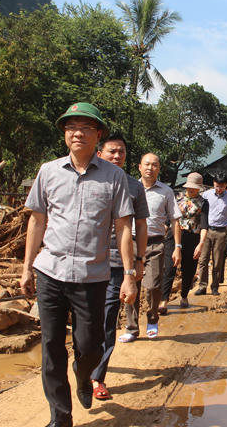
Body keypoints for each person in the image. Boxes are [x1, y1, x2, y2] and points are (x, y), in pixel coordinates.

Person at [20, 102, 135, 427]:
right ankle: (61, 417)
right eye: (71, 127)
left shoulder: (114, 177)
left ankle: (84, 377)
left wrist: (129, 273)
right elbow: (37, 219)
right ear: (65, 134)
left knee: (90, 346)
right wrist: (27, 268)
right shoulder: (48, 172)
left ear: (97, 135)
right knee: (52, 346)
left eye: (85, 127)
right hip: (50, 272)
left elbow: (123, 227)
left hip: (92, 275)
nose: (77, 132)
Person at [89, 133, 149, 401]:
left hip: (116, 262)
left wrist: (138, 261)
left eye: (121, 152)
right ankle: (83, 367)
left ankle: (97, 376)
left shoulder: (134, 187)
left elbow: (142, 225)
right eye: (112, 151)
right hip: (87, 260)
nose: (117, 156)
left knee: (108, 319)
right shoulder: (89, 179)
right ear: (99, 153)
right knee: (85, 320)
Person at [120, 153, 181, 342]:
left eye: (154, 165)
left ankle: (152, 319)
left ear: (159, 169)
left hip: (155, 242)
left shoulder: (166, 191)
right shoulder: (128, 187)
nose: (150, 168)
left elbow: (175, 220)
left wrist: (178, 246)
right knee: (131, 282)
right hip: (131, 242)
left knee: (154, 284)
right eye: (147, 164)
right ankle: (132, 327)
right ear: (139, 167)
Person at [194, 173, 227, 296]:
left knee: (218, 261)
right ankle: (202, 286)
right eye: (217, 186)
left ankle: (215, 287)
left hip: (221, 232)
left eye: (222, 186)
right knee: (203, 260)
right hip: (206, 231)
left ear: (226, 185)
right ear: (213, 183)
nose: (219, 189)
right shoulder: (206, 195)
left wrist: (223, 224)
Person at [174, 172, 209, 306]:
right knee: (170, 266)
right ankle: (164, 299)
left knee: (189, 269)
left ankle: (184, 295)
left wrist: (201, 244)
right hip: (176, 235)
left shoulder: (203, 203)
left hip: (193, 237)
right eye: (189, 187)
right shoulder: (177, 198)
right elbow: (171, 217)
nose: (191, 190)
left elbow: (204, 225)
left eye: (195, 188)